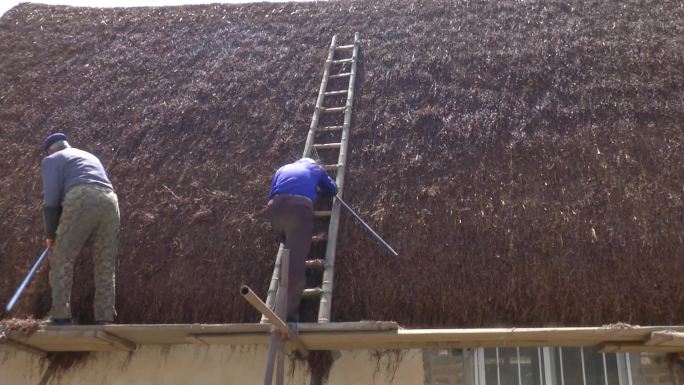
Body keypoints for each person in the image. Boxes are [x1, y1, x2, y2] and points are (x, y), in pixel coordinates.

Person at [41, 133, 120, 325]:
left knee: (62, 257)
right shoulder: (89, 156)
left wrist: (51, 235)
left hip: (82, 197)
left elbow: (51, 202)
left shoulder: (51, 159)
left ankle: (60, 315)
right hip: (110, 201)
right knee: (105, 263)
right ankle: (105, 318)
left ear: (50, 150)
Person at [266, 158, 337, 322]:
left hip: (274, 210)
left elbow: (272, 193)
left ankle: (288, 242)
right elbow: (332, 189)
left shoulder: (282, 168)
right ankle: (286, 316)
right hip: (298, 210)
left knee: (289, 246)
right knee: (295, 266)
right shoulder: (316, 168)